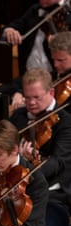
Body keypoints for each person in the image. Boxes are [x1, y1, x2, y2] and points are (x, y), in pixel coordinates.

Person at [10, 68, 71, 213]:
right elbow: (3, 136)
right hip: (18, 182)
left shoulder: (66, 123)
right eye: (27, 97)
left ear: (51, 92)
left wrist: (29, 165)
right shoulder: (20, 115)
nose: (31, 103)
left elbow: (58, 163)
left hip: (53, 186)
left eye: (37, 97)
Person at [1, 0, 71, 77]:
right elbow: (15, 25)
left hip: (53, 79)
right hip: (27, 76)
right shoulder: (35, 10)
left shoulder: (68, 15)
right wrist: (9, 30)